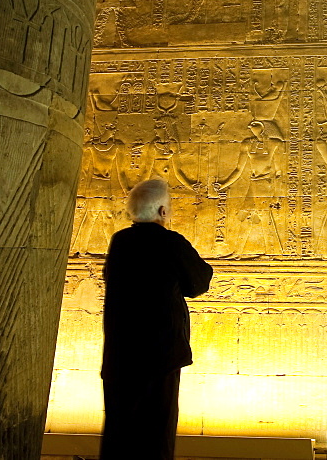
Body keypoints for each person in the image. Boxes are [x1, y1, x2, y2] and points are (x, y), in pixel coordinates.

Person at [100, 179, 213, 460]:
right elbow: (199, 282)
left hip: (120, 355)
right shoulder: (170, 242)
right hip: (159, 356)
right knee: (155, 437)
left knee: (119, 435)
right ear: (163, 211)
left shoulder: (120, 241)